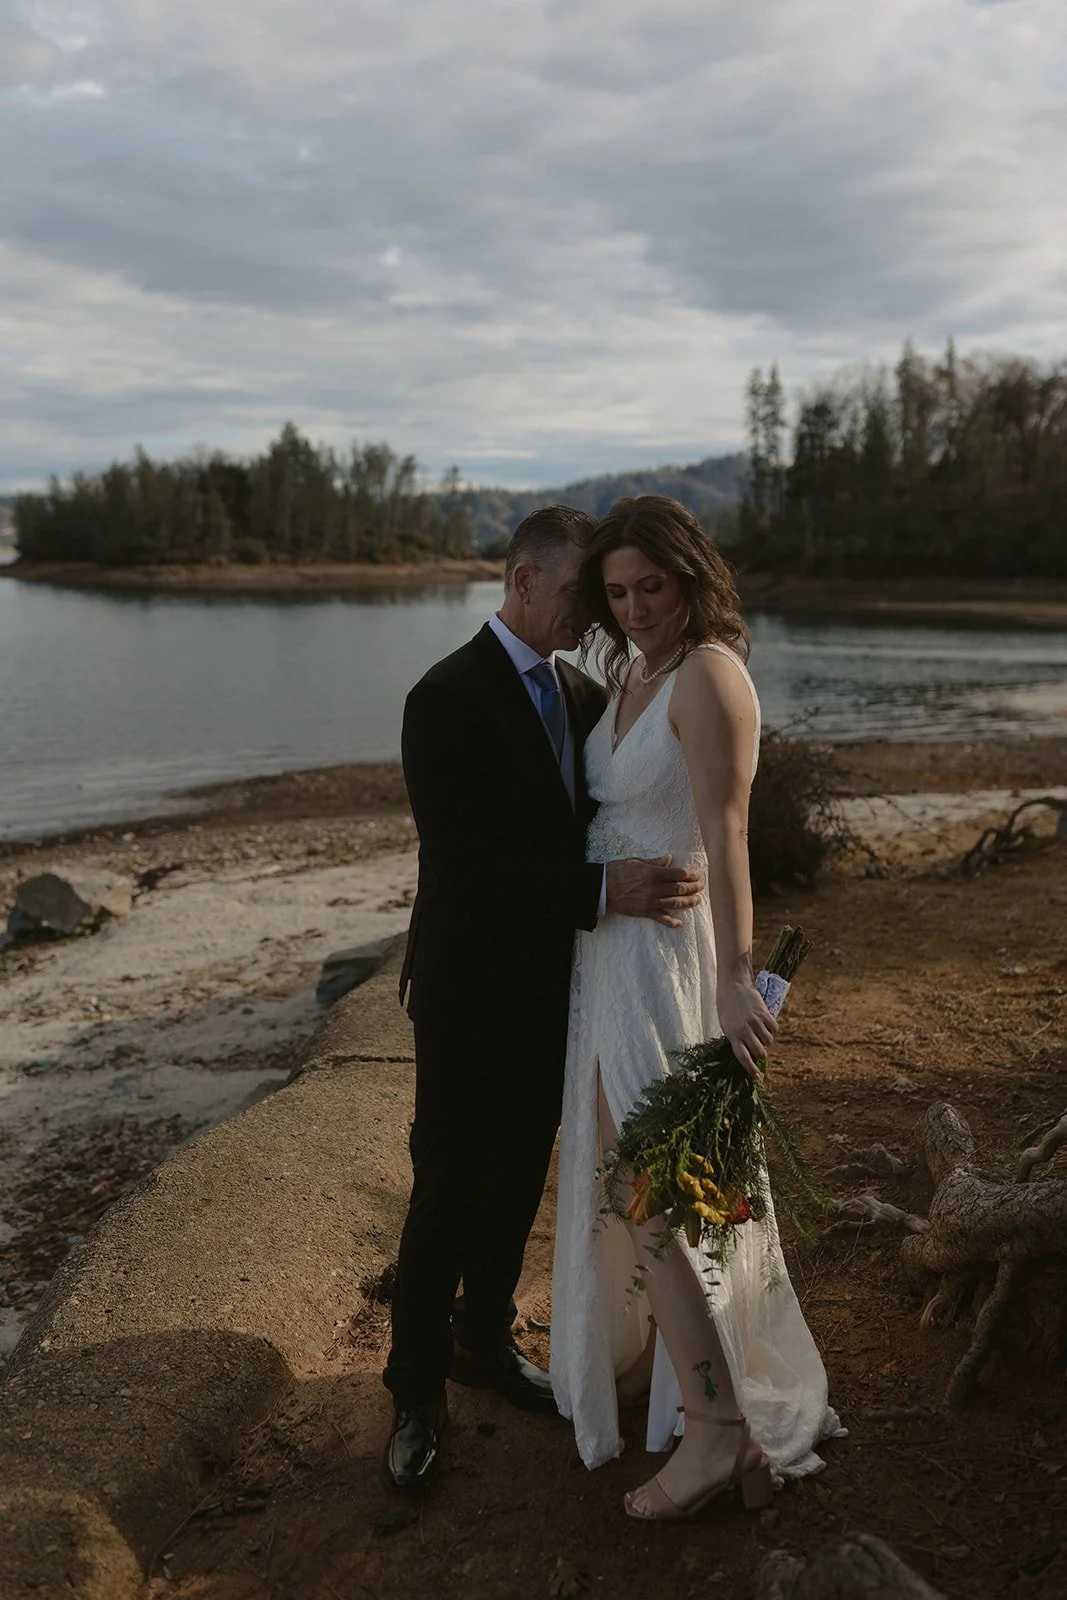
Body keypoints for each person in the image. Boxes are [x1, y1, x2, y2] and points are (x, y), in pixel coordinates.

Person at [383, 505, 707, 1493]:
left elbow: (581, 826)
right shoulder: (441, 696)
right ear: (522, 580)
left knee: (523, 1162)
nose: (595, 617)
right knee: (446, 1176)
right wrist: (605, 893)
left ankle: (484, 1336)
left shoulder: (577, 692)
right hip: (466, 985)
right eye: (581, 595)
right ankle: (413, 1387)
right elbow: (470, 862)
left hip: (558, 988)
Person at [550, 495, 842, 1520]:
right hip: (609, 960)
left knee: (664, 1188)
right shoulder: (633, 671)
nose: (633, 608)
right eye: (617, 591)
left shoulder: (710, 673)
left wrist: (734, 977)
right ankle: (696, 1395)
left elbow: (726, 837)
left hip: (669, 961)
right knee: (635, 1182)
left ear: (689, 577)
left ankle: (718, 1428)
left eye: (651, 588)